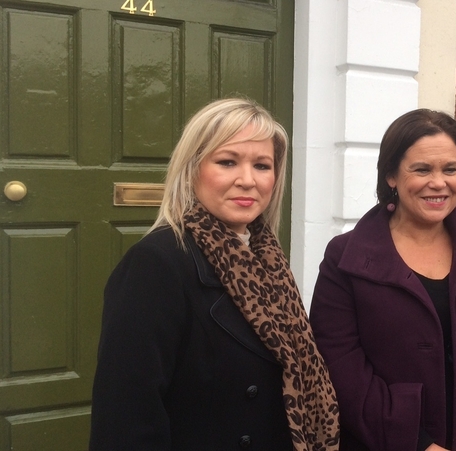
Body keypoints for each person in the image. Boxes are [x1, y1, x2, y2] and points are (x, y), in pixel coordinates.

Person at [89, 98, 339, 451]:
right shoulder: (157, 263)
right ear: (192, 170)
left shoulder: (266, 258)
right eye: (227, 162)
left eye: (262, 165)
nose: (248, 180)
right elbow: (126, 416)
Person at [309, 109, 456, 451]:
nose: (439, 183)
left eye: (450, 169)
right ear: (391, 175)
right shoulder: (345, 258)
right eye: (422, 169)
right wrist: (417, 443)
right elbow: (341, 368)